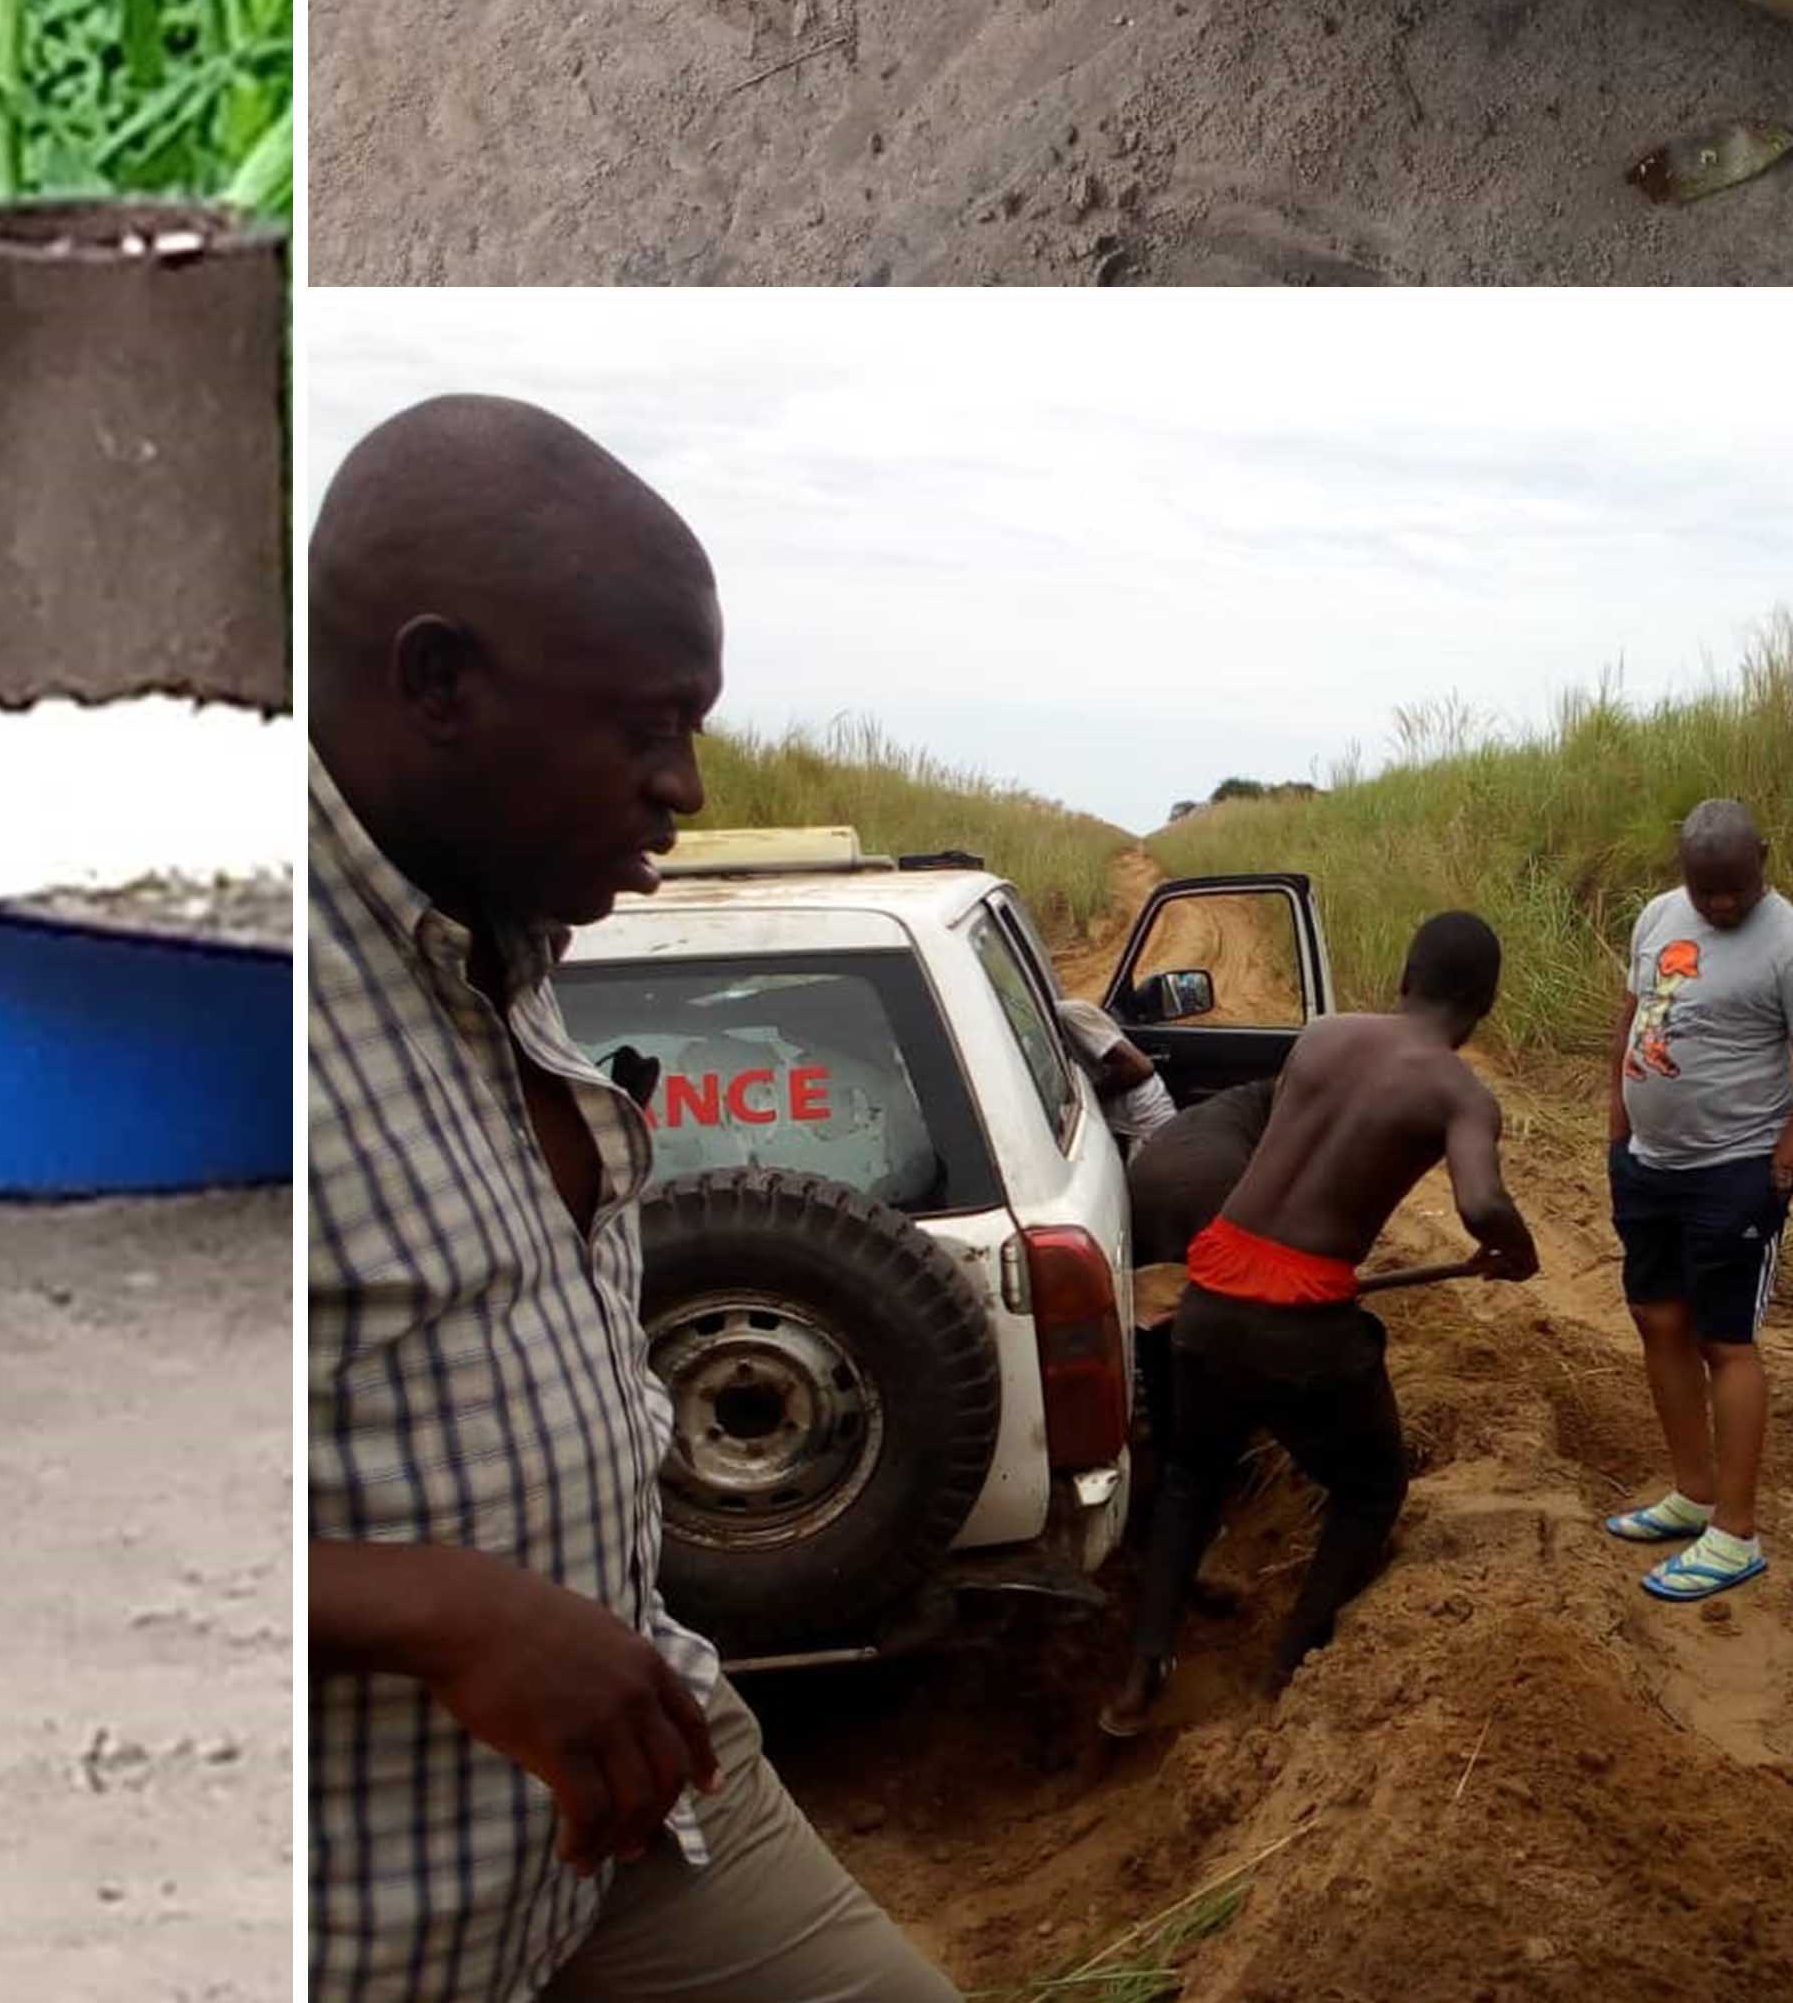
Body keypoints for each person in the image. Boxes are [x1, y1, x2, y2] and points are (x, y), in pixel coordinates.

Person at [305, 396, 955, 2003]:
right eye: (648, 727)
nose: (686, 786)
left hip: (639, 1787)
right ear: (438, 683)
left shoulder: (499, 928)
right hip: (378, 1907)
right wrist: (427, 1610)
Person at [1098, 913, 1537, 1738]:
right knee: (1372, 1488)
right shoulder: (1461, 1095)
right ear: (1485, 1005)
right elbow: (1481, 1203)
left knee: (1191, 1477)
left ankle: (1141, 1671)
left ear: (1405, 977)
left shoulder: (1323, 1035)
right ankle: (1291, 1664)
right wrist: (1519, 1251)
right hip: (1301, 1329)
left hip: (1209, 1294)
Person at [1598, 801, 1793, 1602]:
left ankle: (1735, 1532)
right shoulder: (1657, 916)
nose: (1719, 904)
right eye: (1704, 888)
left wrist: (1782, 1171)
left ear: (1763, 860)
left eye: (1734, 888)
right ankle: (1692, 1492)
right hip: (1649, 1165)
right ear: (1682, 871)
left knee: (1725, 1340)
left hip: (1734, 1170)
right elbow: (1634, 1016)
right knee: (1658, 1318)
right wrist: (1617, 1131)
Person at [1056, 988, 1177, 1150]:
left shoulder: (1070, 1015)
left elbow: (1138, 1067)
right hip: (1135, 1125)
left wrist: (1088, 1097)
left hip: (1143, 1126)